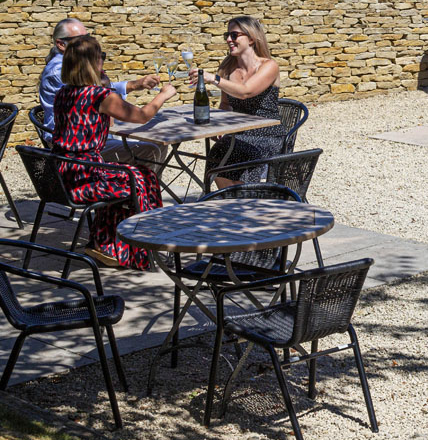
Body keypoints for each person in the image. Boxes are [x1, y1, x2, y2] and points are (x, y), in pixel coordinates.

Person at [52, 35, 176, 269]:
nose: (103, 62)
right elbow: (140, 116)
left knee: (135, 174)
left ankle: (107, 245)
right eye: (101, 58)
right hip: (86, 178)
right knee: (143, 179)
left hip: (63, 174)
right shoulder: (99, 96)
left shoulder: (64, 93)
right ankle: (148, 249)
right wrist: (163, 95)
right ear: (93, 63)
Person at [40, 17, 166, 170]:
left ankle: (145, 189)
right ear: (61, 44)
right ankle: (140, 191)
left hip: (73, 158)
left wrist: (134, 85)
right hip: (83, 158)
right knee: (151, 151)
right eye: (80, 40)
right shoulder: (58, 73)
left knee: (155, 146)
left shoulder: (69, 89)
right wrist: (164, 94)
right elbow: (137, 116)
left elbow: (93, 95)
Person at [190, 16, 285, 189]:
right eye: (227, 35)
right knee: (218, 151)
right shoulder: (227, 67)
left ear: (250, 38)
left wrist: (214, 79)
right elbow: (226, 105)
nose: (228, 40)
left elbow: (245, 92)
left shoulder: (269, 66)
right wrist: (218, 128)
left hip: (267, 132)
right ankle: (230, 198)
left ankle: (246, 198)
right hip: (238, 131)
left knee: (245, 152)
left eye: (234, 35)